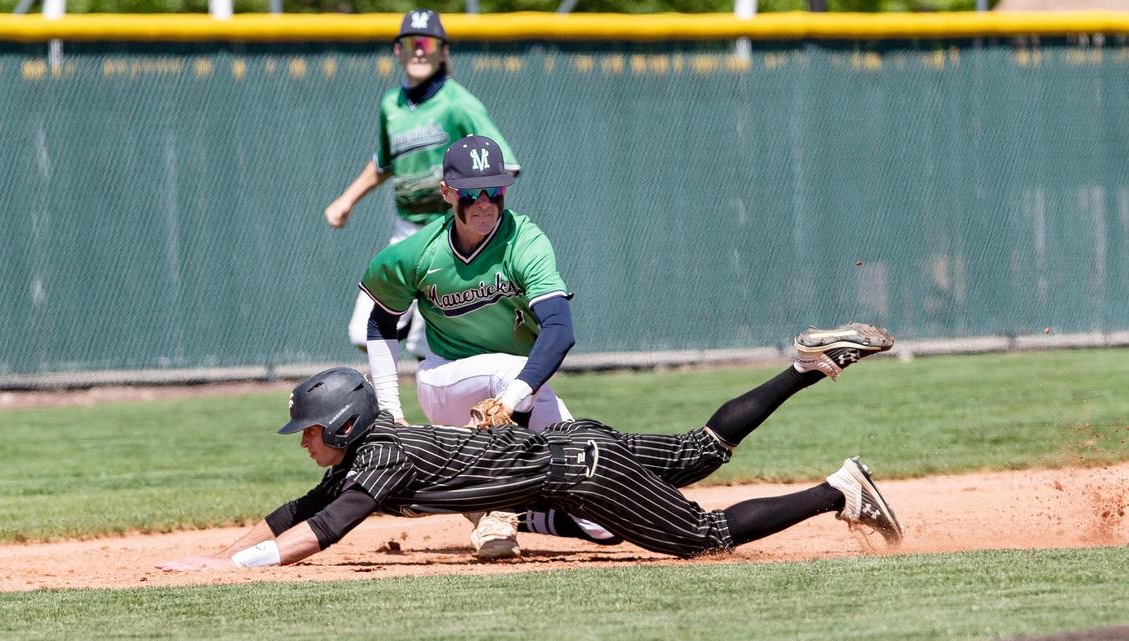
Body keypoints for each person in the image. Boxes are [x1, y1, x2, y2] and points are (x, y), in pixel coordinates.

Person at [156, 322, 903, 572]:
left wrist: (240, 569)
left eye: (311, 431)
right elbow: (296, 508)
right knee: (701, 447)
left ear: (344, 424)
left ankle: (840, 490)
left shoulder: (378, 461)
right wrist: (220, 554)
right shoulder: (373, 449)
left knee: (703, 536)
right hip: (567, 441)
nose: (306, 444)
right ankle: (807, 368)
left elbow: (320, 532)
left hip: (577, 473)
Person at [358, 134, 592, 559]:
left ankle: (515, 510)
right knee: (510, 370)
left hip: (519, 393)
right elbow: (381, 321)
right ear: (447, 193)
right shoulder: (417, 253)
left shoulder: (525, 240)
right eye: (471, 193)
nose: (484, 202)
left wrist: (512, 399)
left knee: (599, 509)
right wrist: (390, 411)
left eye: (495, 190)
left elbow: (560, 330)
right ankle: (501, 505)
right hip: (446, 382)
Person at [325, 8, 520, 358]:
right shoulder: (391, 104)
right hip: (406, 230)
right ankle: (417, 325)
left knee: (426, 347)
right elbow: (384, 163)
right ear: (397, 51)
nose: (419, 50)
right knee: (362, 331)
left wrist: (468, 206)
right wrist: (346, 200)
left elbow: (505, 164)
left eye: (427, 42)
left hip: (446, 231)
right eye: (410, 42)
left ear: (443, 51)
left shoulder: (457, 103)